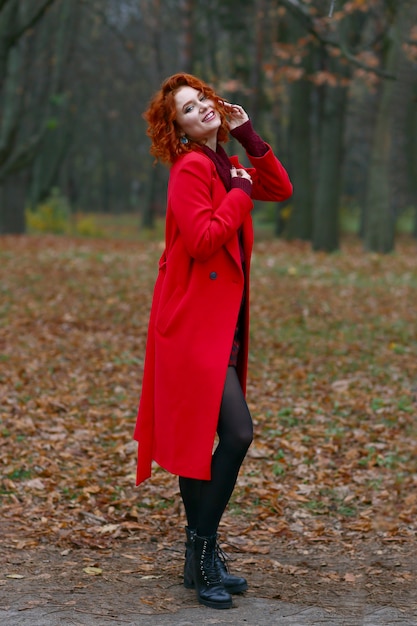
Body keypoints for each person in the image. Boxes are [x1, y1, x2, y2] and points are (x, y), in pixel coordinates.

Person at [134, 73, 292, 610]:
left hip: (218, 321)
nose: (201, 107)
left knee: (209, 438)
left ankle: (198, 555)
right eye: (187, 107)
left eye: (203, 99)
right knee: (235, 432)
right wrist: (240, 195)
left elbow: (280, 189)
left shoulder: (224, 161)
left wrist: (248, 138)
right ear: (175, 127)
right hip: (189, 323)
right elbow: (203, 240)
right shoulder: (191, 168)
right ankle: (203, 553)